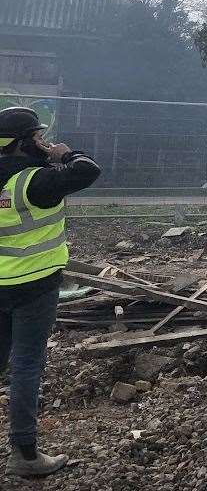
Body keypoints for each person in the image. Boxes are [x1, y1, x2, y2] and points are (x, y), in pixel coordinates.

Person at [0, 107, 100, 477]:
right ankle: (24, 454)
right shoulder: (34, 182)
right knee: (26, 366)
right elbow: (89, 170)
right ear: (26, 142)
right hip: (34, 286)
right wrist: (63, 153)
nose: (42, 142)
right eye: (37, 137)